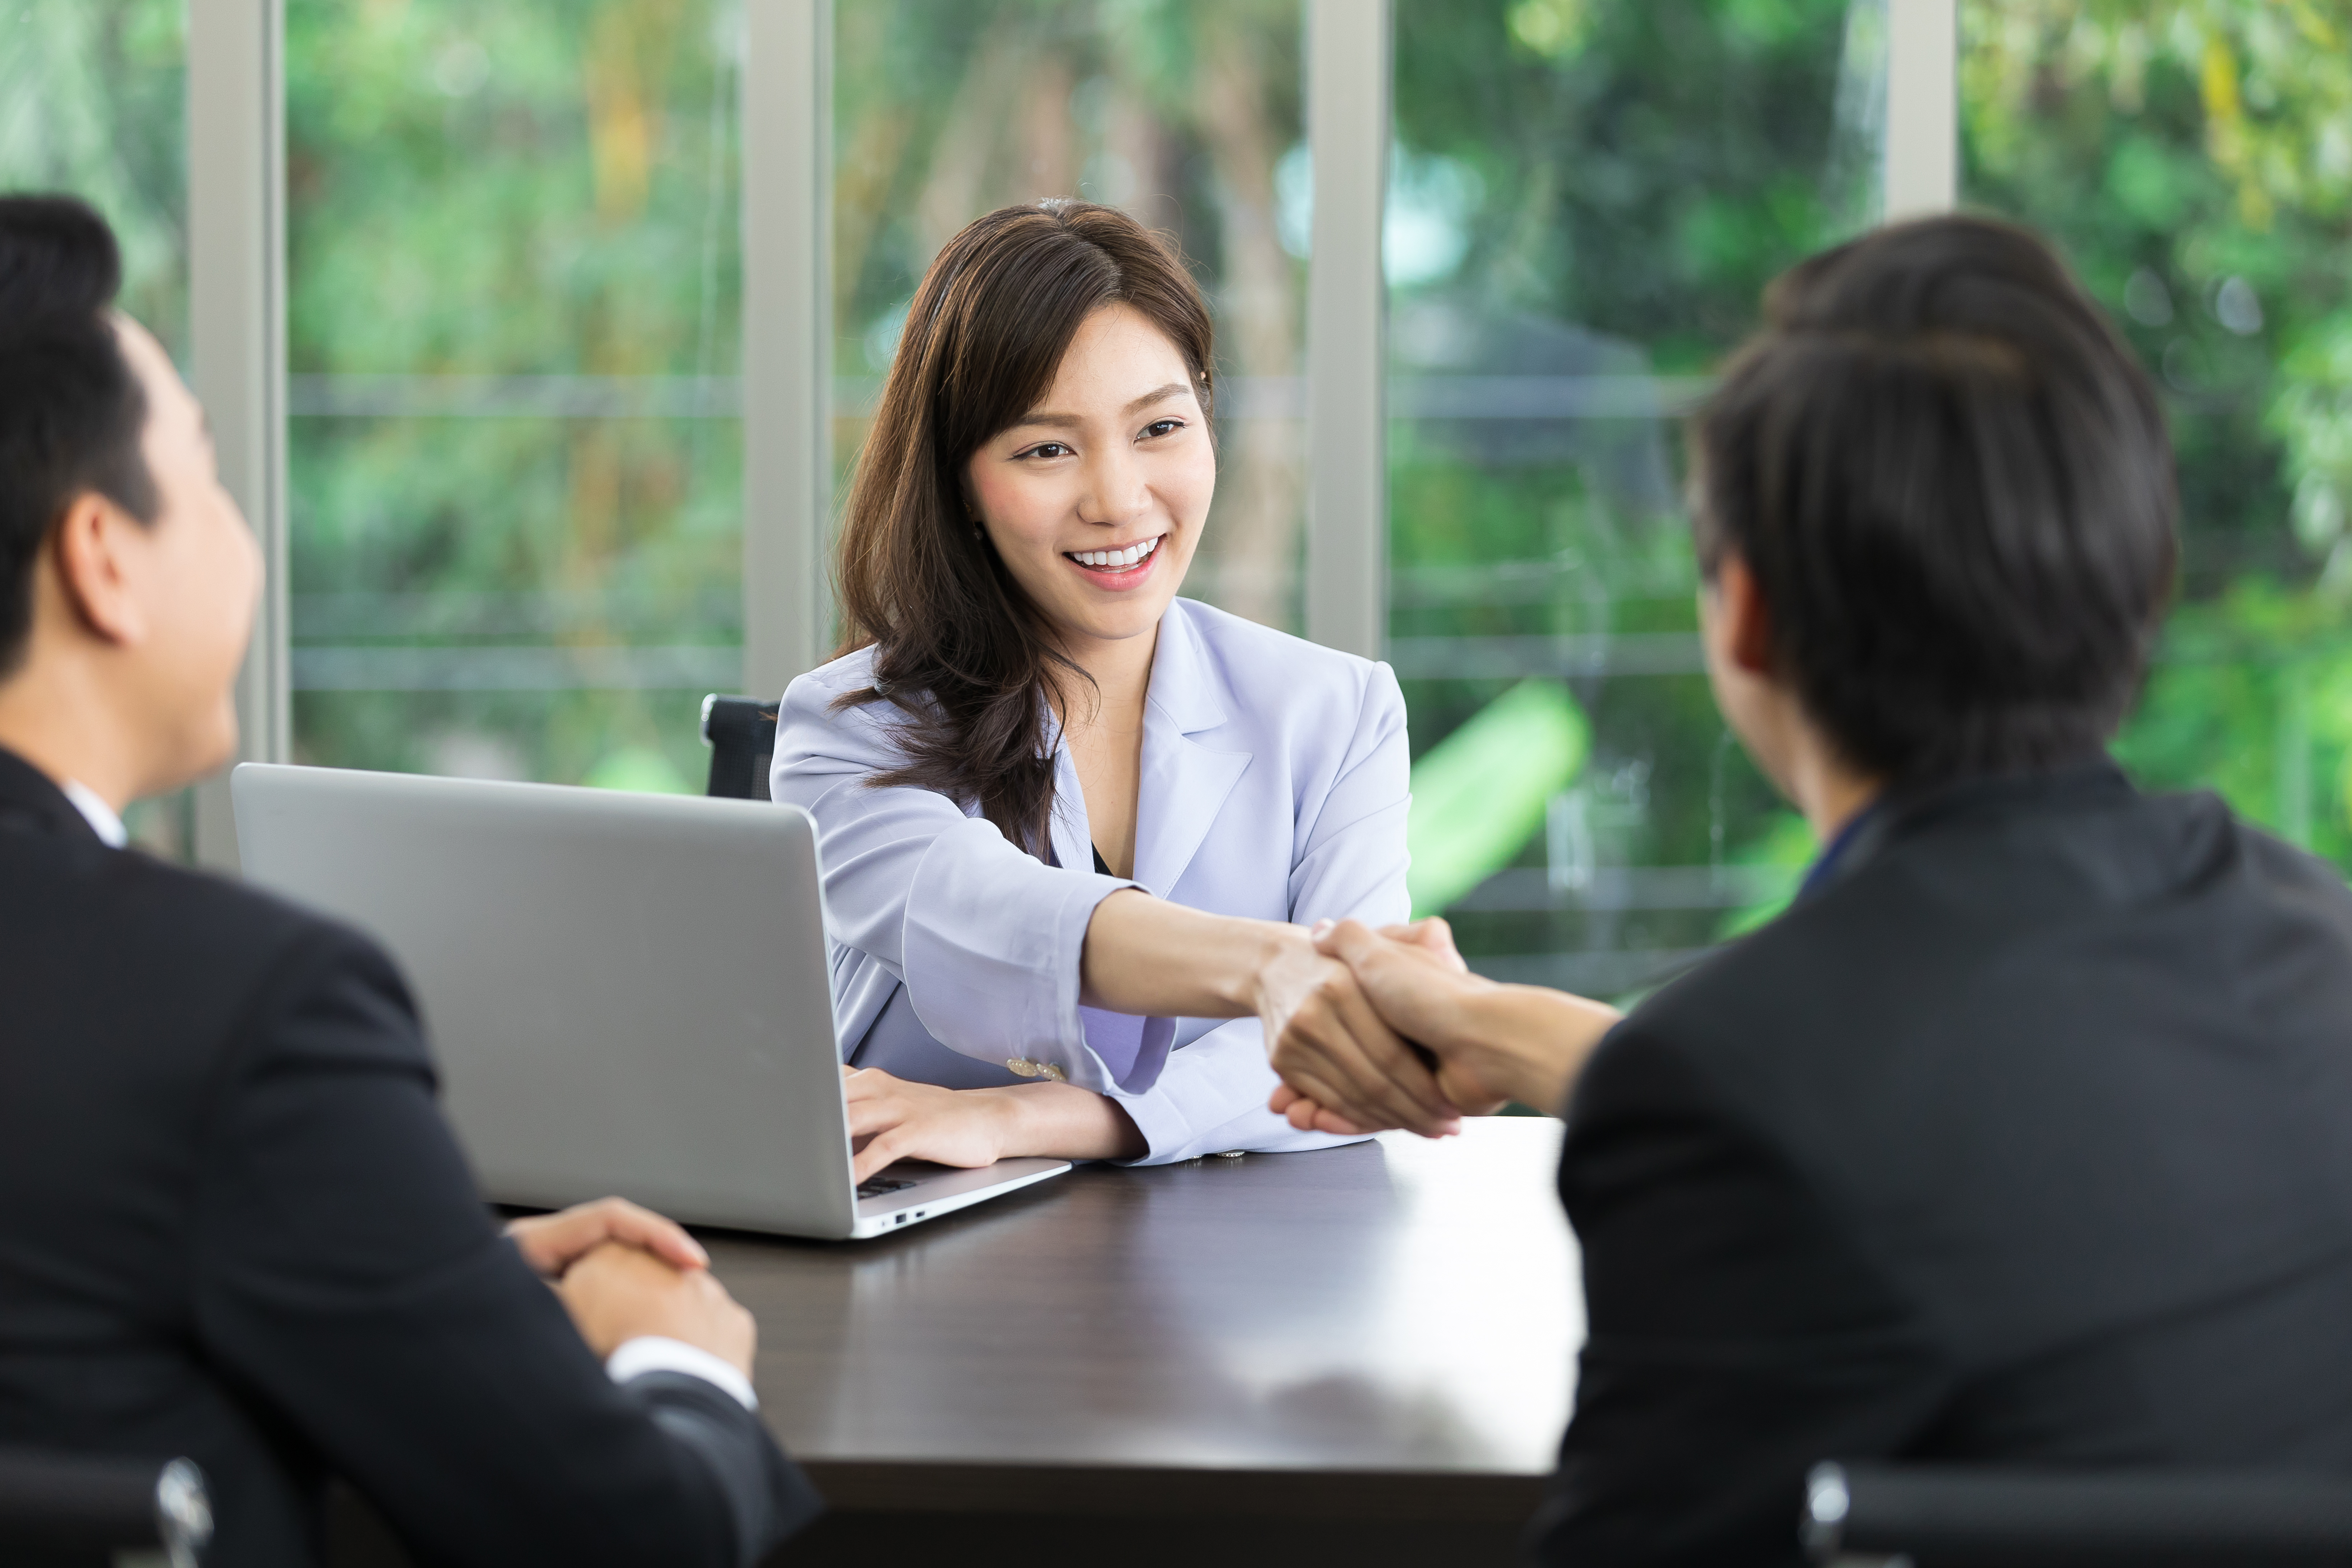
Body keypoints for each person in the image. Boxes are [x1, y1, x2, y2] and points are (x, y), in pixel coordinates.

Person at [1268, 214, 2352, 1564]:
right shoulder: (2317, 940)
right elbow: (2004, 1129)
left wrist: (1641, 1069)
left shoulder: (1738, 1090)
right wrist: (1516, 1031)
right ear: (2145, 577)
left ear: (1748, 616)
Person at [0, 195, 819, 1566]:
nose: (238, 534)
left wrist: (401, 1279)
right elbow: (629, 1545)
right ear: (103, 560)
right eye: (204, 477)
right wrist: (682, 1364)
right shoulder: (237, 1012)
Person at [771, 200, 1454, 1178]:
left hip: (1239, 1276)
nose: (1119, 498)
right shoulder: (849, 730)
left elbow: (1353, 1064)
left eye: (1160, 428)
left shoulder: (1336, 713)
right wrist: (1274, 968)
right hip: (918, 1245)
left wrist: (1030, 1122)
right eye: (1047, 448)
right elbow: (991, 912)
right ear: (959, 481)